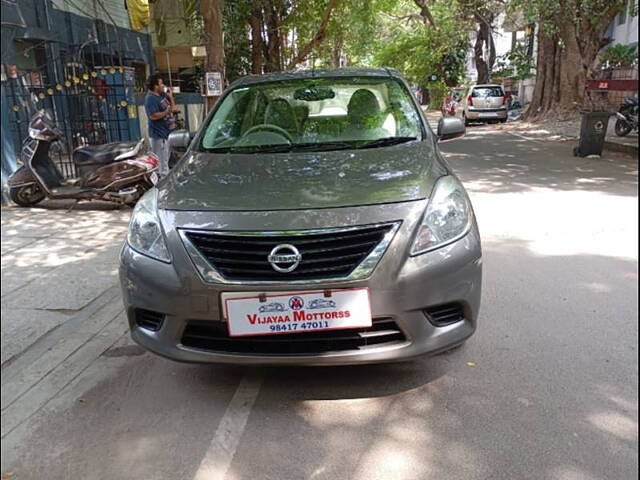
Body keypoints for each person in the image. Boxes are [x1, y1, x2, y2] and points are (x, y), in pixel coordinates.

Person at [144, 74, 175, 177]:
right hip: (159, 135)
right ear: (155, 86)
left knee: (166, 159)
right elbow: (153, 116)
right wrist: (166, 113)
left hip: (166, 134)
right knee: (161, 164)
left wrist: (170, 97)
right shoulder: (151, 99)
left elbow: (173, 109)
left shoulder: (161, 96)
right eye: (161, 83)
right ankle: (162, 183)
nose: (163, 85)